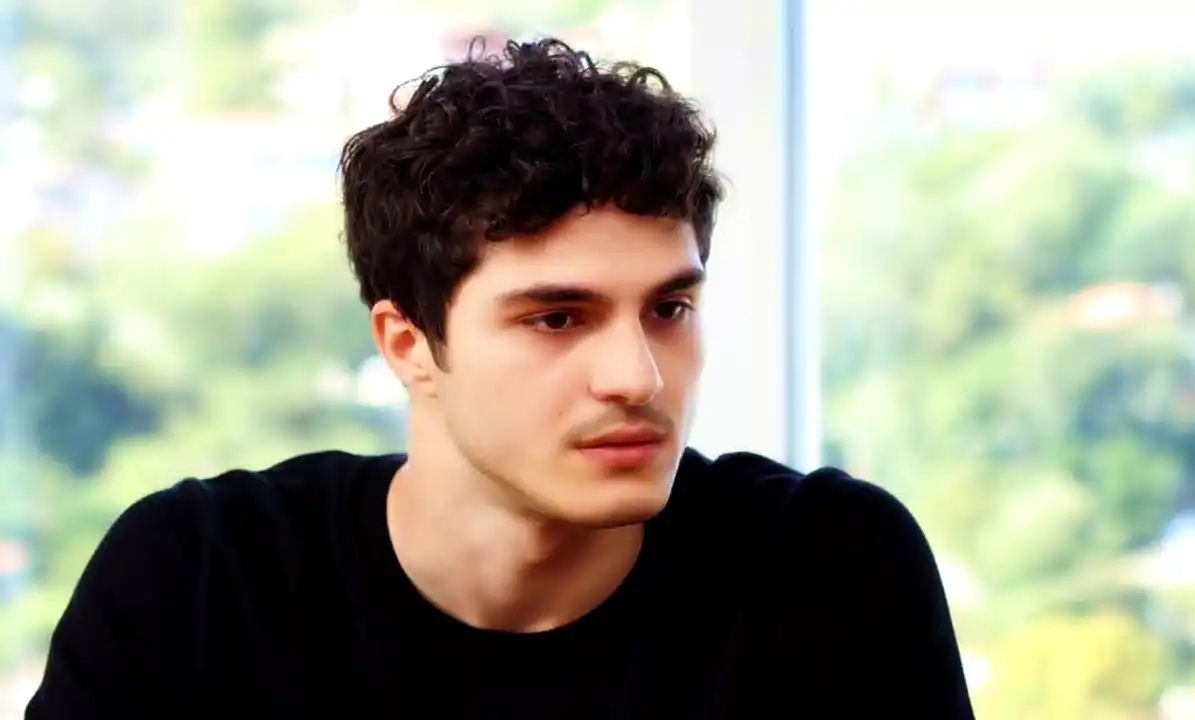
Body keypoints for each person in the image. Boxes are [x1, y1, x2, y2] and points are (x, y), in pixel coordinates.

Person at [26, 38, 974, 719]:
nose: (637, 376)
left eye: (669, 308)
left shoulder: (829, 569)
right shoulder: (200, 586)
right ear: (408, 344)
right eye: (557, 318)